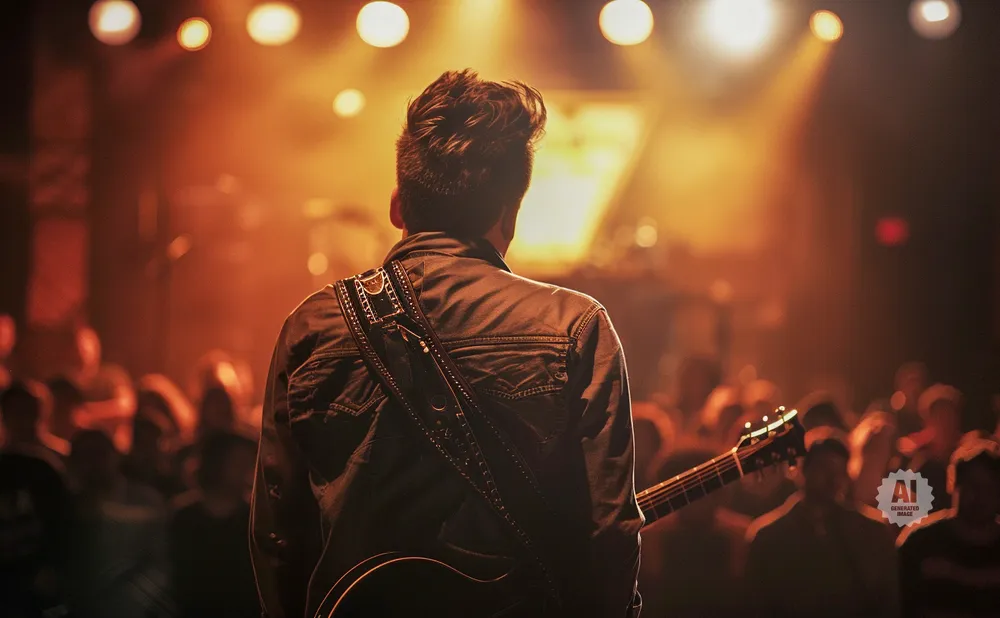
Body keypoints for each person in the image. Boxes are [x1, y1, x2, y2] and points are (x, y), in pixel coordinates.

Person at [251, 70, 642, 618]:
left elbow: (279, 536)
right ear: (511, 212)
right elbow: (610, 533)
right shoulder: (576, 326)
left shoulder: (311, 328)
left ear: (397, 207)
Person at [743, 429, 898, 618]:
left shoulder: (872, 532)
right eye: (824, 468)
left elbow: (888, 601)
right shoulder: (768, 537)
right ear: (803, 471)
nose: (833, 479)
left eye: (840, 470)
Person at [897, 435, 1000, 617]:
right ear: (953, 486)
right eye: (972, 486)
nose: (980, 497)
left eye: (989, 488)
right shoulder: (921, 542)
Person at [170, 431, 259, 618]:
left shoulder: (254, 518)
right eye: (238, 461)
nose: (247, 469)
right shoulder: (184, 517)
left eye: (249, 462)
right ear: (217, 463)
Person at [1, 381, 69, 468]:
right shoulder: (57, 456)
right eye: (15, 412)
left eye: (27, 411)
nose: (22, 420)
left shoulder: (59, 458)